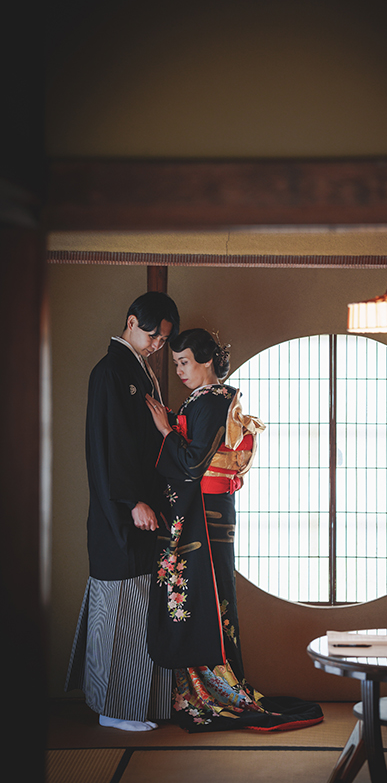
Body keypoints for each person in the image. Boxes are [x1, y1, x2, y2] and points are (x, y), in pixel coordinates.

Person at [145, 328, 324, 732]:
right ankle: (199, 687)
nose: (180, 370)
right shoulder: (205, 399)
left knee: (205, 596)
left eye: (184, 362)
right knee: (201, 595)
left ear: (207, 360)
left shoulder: (213, 399)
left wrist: (166, 431)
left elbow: (193, 463)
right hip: (207, 510)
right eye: (176, 363)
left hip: (205, 513)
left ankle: (214, 690)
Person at [65, 291, 181, 732]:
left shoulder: (138, 370)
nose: (157, 345)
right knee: (118, 610)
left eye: (163, 340)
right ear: (131, 322)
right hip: (122, 511)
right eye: (152, 335)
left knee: (137, 608)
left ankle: (134, 704)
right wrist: (131, 501)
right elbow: (108, 446)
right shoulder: (110, 371)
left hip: (140, 507)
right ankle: (114, 708)